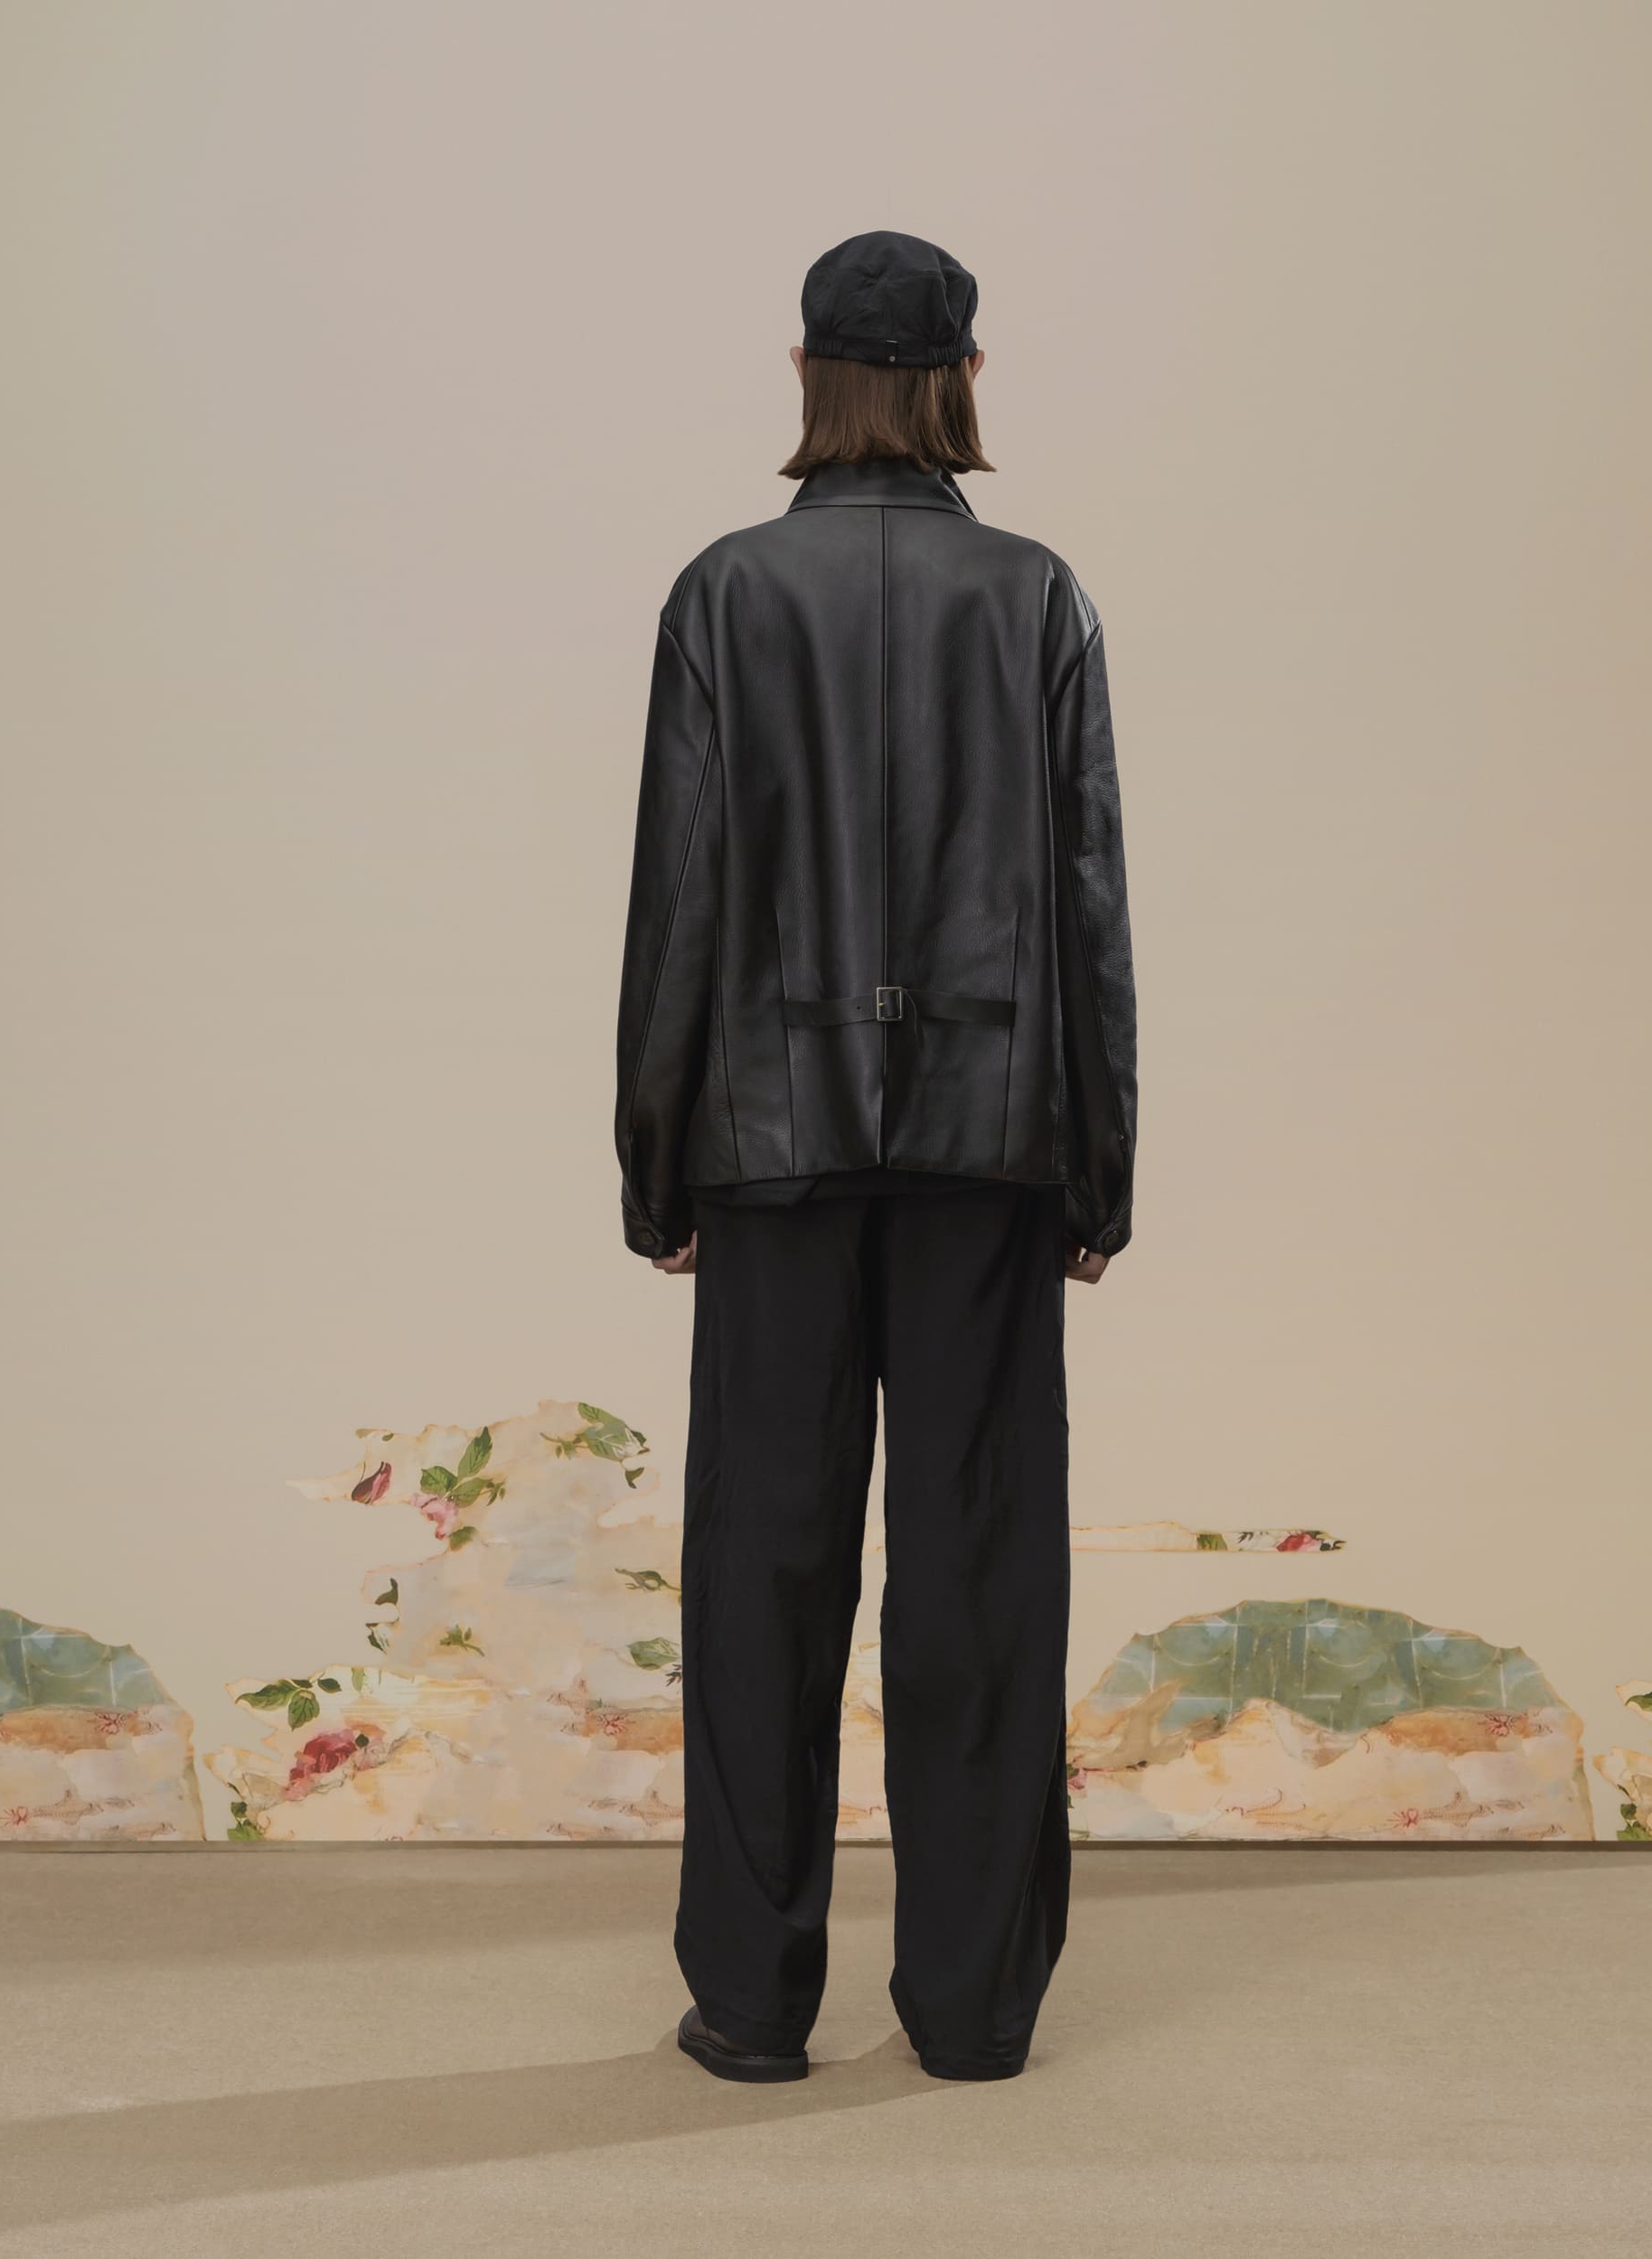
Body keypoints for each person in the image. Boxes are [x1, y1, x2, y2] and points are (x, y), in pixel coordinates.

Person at [613, 230, 1137, 2085]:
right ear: (963, 377)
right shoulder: (1035, 593)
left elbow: (680, 896)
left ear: (806, 373)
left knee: (761, 1564)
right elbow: (1086, 903)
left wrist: (657, 1163)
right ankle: (973, 2006)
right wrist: (1098, 1165)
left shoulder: (727, 592)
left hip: (770, 1146)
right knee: (981, 1565)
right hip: (991, 1147)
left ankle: (755, 2003)